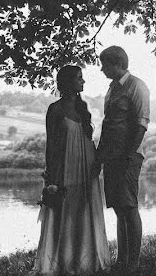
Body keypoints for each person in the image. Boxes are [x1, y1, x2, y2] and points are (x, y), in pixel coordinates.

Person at [31, 65, 110, 276]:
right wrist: (50, 177)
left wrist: (97, 163)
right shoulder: (55, 109)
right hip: (65, 168)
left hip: (87, 167)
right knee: (64, 215)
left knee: (83, 213)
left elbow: (88, 139)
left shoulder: (83, 108)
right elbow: (51, 145)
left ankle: (84, 261)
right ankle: (62, 262)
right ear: (66, 82)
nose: (82, 82)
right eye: (78, 78)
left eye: (82, 78)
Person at [94, 46, 150, 274]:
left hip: (128, 157)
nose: (101, 69)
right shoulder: (111, 88)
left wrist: (128, 154)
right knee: (118, 207)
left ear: (117, 64)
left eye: (104, 65)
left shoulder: (137, 85)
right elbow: (108, 125)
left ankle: (134, 262)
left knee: (129, 206)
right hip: (111, 157)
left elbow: (141, 123)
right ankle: (122, 260)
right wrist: (99, 155)